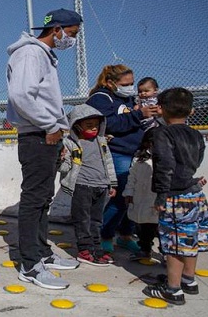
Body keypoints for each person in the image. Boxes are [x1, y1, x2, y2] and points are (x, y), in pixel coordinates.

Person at [6, 8, 82, 290]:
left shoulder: (43, 56)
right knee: (34, 200)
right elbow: (21, 94)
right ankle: (29, 265)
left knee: (42, 199)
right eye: (71, 34)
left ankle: (42, 253)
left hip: (46, 134)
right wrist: (50, 125)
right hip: (38, 135)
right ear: (57, 29)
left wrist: (56, 132)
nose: (71, 40)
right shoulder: (31, 53)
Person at [142, 87, 208, 305]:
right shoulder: (196, 134)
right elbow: (197, 160)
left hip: (175, 196)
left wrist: (161, 195)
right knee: (190, 239)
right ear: (191, 111)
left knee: (173, 243)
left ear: (160, 109)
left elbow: (165, 165)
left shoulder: (162, 133)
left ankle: (173, 289)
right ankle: (188, 279)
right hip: (194, 194)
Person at [86, 64, 159, 256]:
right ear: (111, 83)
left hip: (136, 153)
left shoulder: (128, 99)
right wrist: (138, 115)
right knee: (120, 198)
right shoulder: (101, 98)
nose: (130, 87)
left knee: (135, 197)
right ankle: (105, 235)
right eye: (125, 83)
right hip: (118, 153)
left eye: (132, 83)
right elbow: (106, 123)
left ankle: (126, 235)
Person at [59, 104, 117, 267]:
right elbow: (64, 168)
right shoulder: (70, 144)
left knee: (97, 220)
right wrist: (61, 158)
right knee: (82, 219)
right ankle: (85, 250)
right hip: (82, 186)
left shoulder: (102, 142)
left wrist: (112, 183)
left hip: (101, 186)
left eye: (96, 125)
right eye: (88, 125)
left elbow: (108, 162)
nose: (94, 128)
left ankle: (97, 249)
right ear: (77, 126)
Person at [123, 129, 159, 261]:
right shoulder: (139, 157)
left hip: (157, 198)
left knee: (160, 228)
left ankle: (166, 253)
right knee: (143, 226)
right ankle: (145, 249)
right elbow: (132, 177)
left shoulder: (167, 157)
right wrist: (129, 192)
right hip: (141, 197)